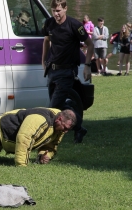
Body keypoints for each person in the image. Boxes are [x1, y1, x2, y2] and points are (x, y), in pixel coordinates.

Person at [41, 0, 93, 143]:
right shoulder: (48, 23)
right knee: (58, 105)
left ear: (65, 9)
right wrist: (43, 60)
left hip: (67, 71)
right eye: (53, 11)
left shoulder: (75, 25)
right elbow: (46, 41)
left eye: (58, 11)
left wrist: (87, 65)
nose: (56, 14)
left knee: (53, 108)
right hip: (51, 70)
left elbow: (90, 45)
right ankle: (79, 128)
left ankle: (48, 139)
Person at [0, 108, 77, 167]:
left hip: (0, 140)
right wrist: (22, 165)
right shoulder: (40, 119)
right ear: (59, 119)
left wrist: (44, 155)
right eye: (65, 128)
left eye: (68, 130)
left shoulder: (57, 128)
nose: (65, 132)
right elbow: (24, 139)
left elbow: (51, 145)